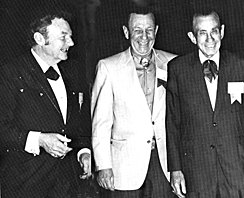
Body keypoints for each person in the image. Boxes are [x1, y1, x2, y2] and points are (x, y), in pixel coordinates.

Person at [166, 10, 244, 198]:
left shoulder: (241, 66)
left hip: (236, 168)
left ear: (222, 31)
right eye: (202, 33)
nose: (210, 38)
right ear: (192, 37)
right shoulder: (178, 69)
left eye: (214, 31)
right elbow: (172, 124)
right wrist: (176, 169)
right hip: (197, 171)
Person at [0, 10, 92, 198]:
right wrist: (40, 140)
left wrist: (84, 151)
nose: (71, 43)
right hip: (26, 184)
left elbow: (79, 121)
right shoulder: (9, 74)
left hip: (68, 184)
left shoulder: (73, 71)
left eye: (71, 37)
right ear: (40, 39)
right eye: (63, 37)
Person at [91, 9, 177, 198]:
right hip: (124, 166)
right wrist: (103, 165)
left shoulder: (174, 63)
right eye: (137, 30)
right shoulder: (108, 67)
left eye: (149, 30)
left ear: (156, 31)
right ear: (126, 32)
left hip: (164, 164)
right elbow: (101, 123)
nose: (144, 37)